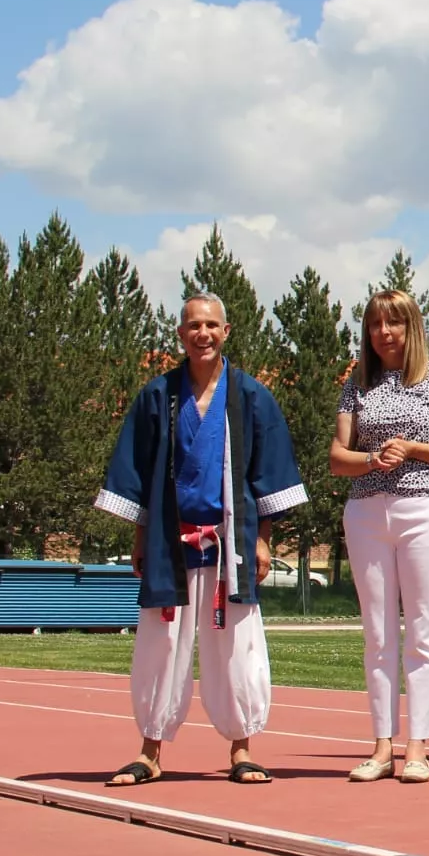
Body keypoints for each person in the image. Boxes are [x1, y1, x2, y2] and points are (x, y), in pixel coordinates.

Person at [94, 293, 308, 787]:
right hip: (171, 542)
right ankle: (150, 751)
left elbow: (266, 477)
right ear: (180, 334)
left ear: (226, 332)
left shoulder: (252, 396)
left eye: (212, 325)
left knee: (235, 645)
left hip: (229, 541)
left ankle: (241, 749)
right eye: (194, 325)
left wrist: (261, 540)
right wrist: (141, 534)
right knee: (161, 643)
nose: (203, 333)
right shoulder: (157, 396)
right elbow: (139, 471)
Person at [330, 290, 429, 783]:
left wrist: (413, 448)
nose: (383, 333)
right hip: (367, 512)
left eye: (393, 323)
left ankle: (418, 746)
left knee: (422, 628)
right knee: (377, 633)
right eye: (374, 325)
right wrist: (372, 459)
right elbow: (337, 459)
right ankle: (381, 747)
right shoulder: (357, 384)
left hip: (426, 508)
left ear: (411, 327)